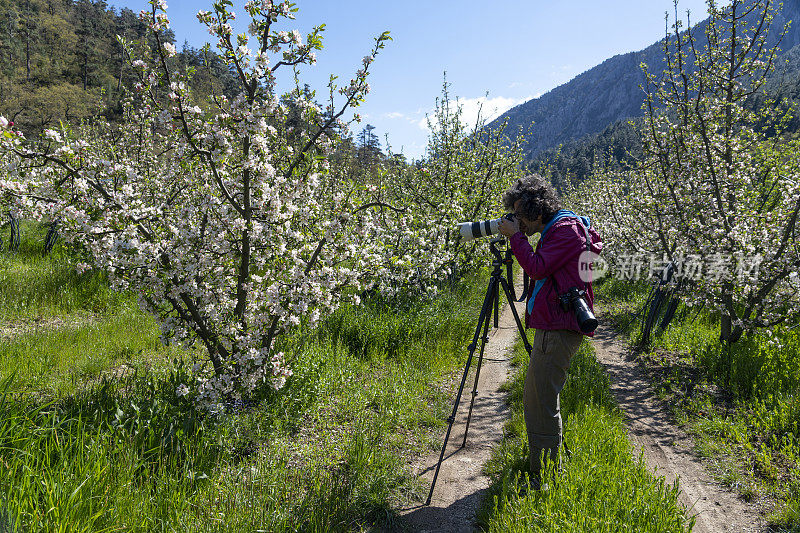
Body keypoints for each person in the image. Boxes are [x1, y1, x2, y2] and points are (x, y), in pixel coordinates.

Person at [498, 174, 603, 489]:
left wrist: (516, 238)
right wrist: (519, 236)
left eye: (520, 214)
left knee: (539, 400)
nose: (518, 221)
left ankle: (545, 476)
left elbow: (537, 267)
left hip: (559, 327)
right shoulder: (561, 228)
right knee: (539, 397)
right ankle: (548, 464)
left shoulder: (564, 231)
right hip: (555, 325)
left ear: (537, 209)